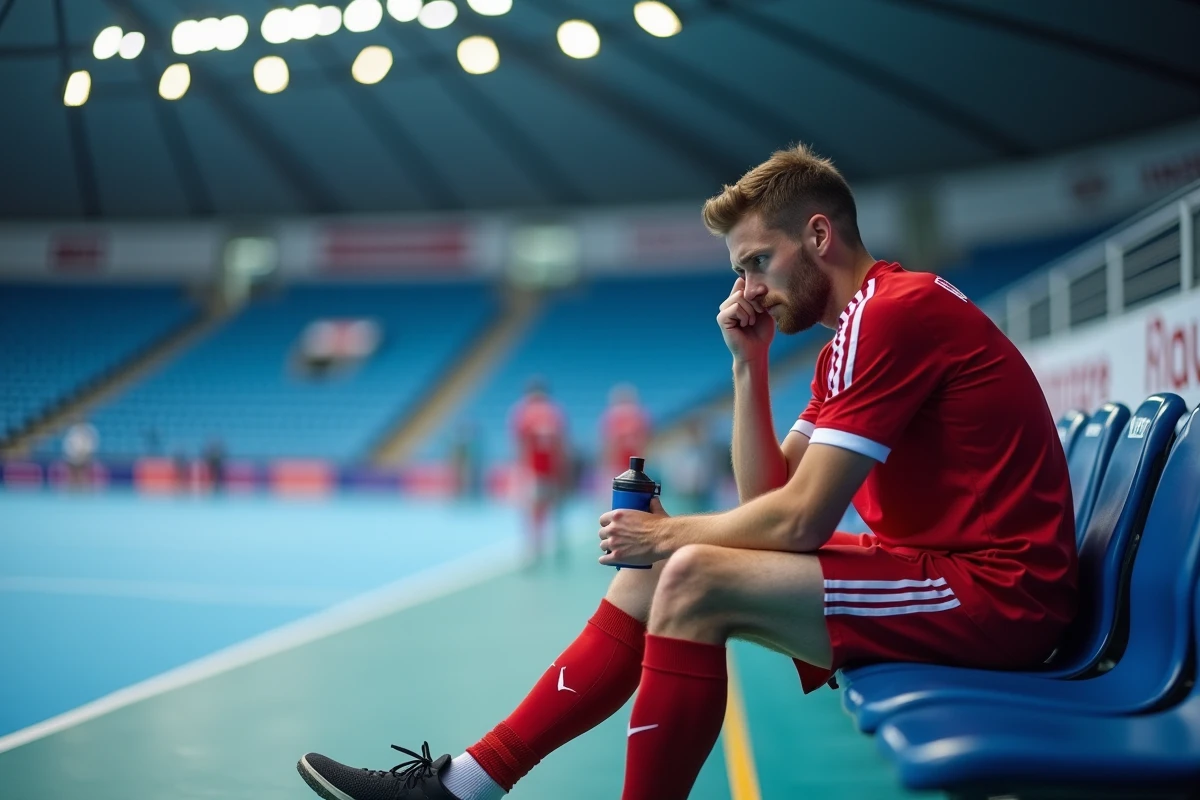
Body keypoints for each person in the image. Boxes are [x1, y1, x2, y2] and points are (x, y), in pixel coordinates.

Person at [296, 144, 1077, 800]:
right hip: (945, 573)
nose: (750, 291)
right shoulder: (851, 334)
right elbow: (769, 502)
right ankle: (465, 784)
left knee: (692, 572)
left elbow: (797, 524)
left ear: (818, 235)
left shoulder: (892, 314)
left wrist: (668, 532)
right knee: (664, 569)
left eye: (758, 263)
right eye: (740, 272)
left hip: (1001, 597)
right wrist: (748, 368)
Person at [508, 379, 569, 564]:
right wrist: (564, 470)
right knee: (555, 510)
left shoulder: (523, 413)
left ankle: (535, 551)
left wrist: (521, 469)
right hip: (553, 469)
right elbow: (563, 444)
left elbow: (519, 445)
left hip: (534, 470)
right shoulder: (555, 412)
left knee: (533, 511)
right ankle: (558, 548)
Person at [599, 383, 651, 487]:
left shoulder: (638, 416)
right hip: (621, 465)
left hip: (632, 465)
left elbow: (645, 441)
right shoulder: (612, 416)